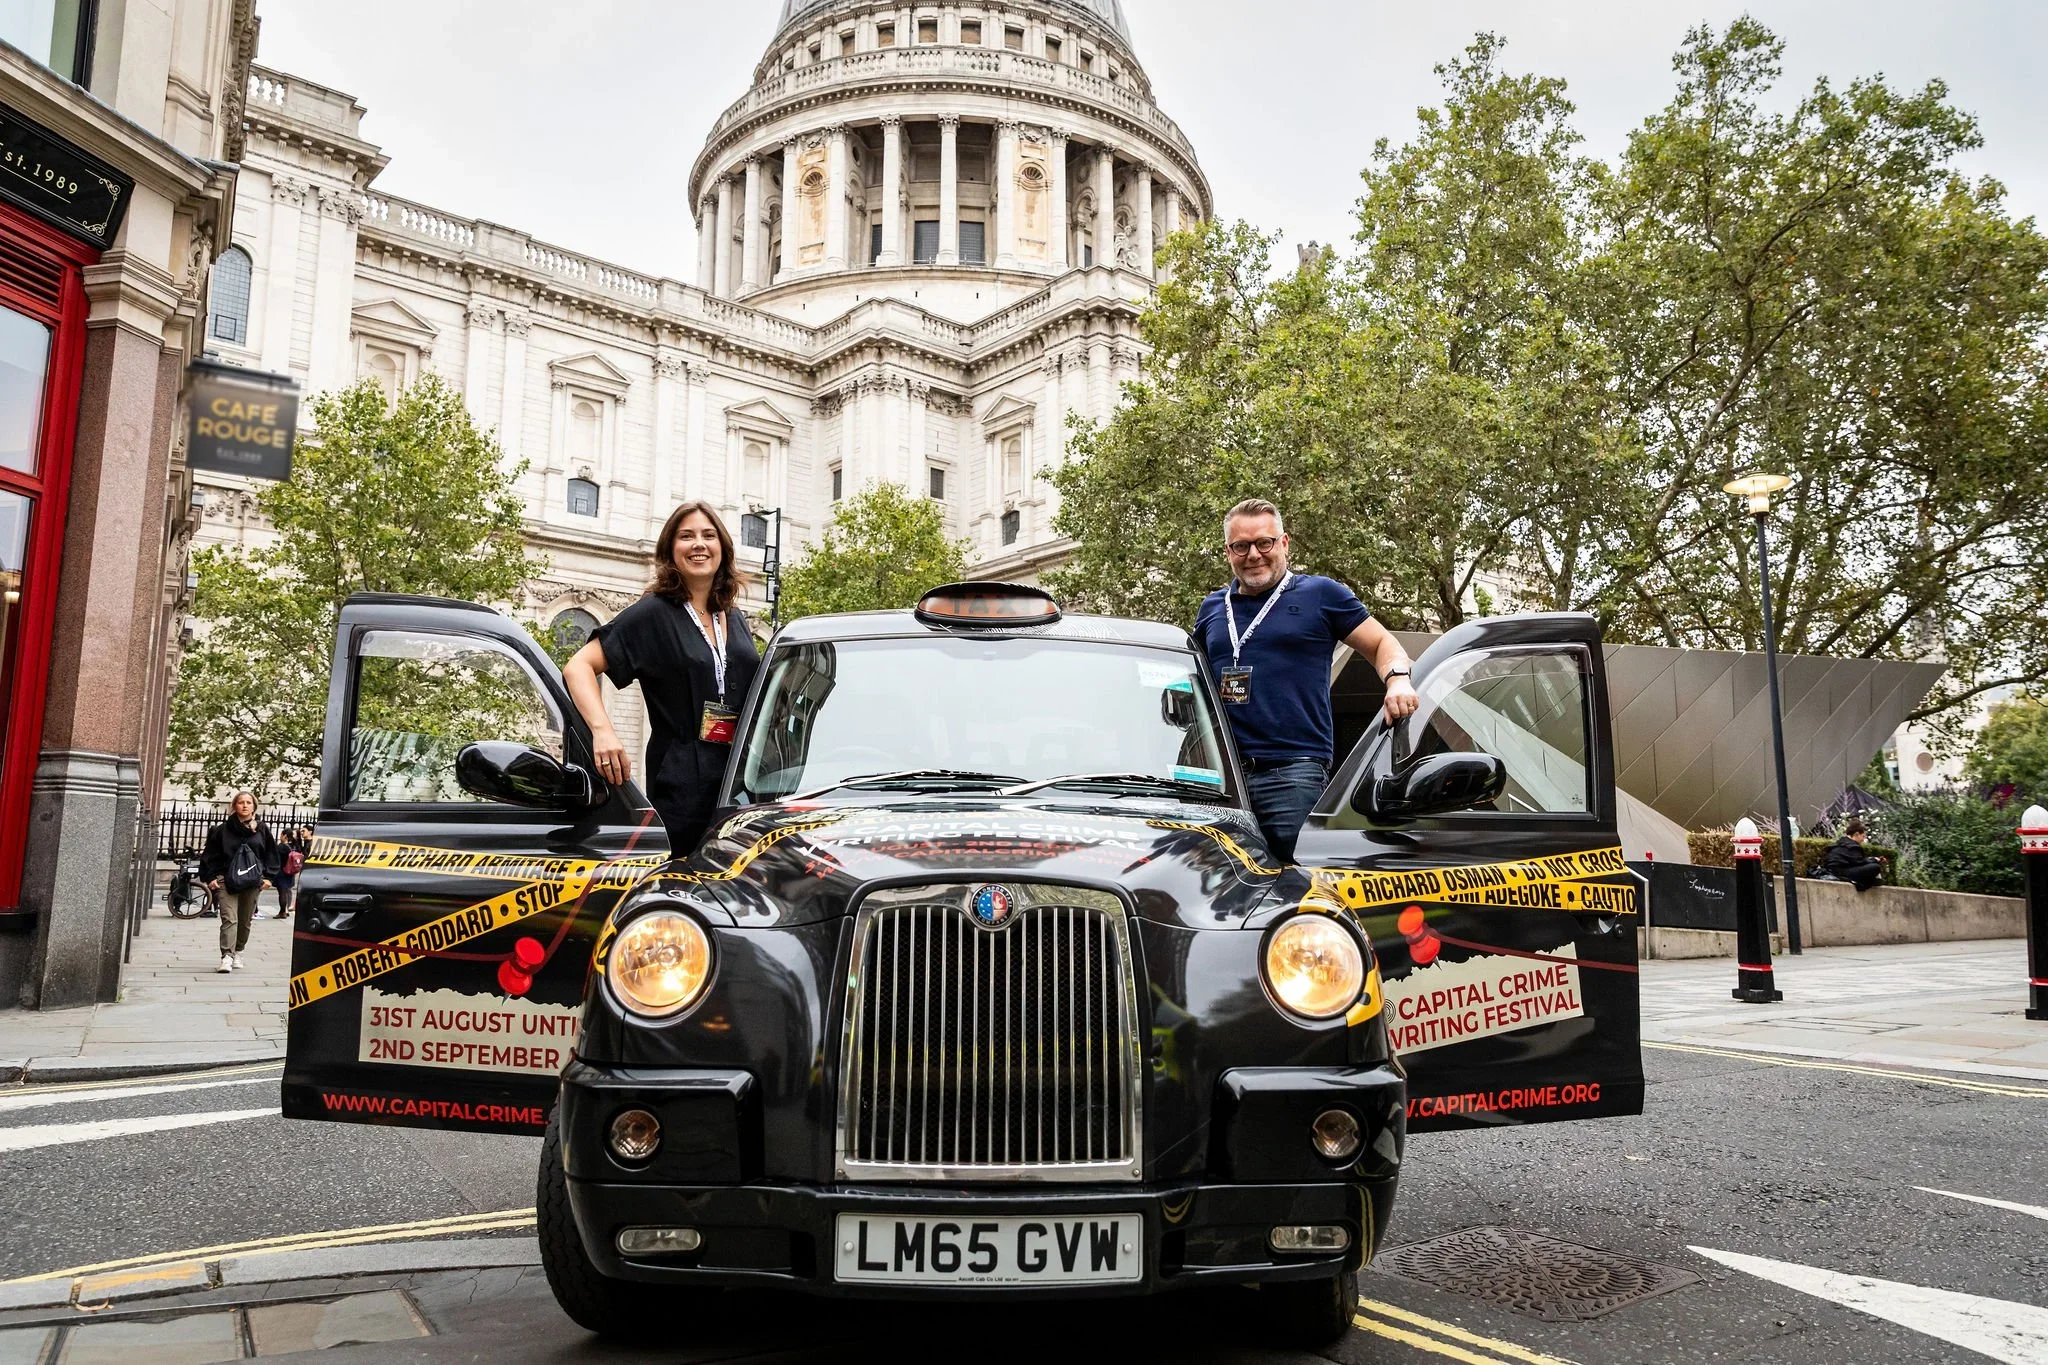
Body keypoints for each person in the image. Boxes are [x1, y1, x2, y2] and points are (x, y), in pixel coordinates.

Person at [1194, 499, 1420, 863]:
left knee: (1297, 880)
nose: (1254, 554)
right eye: (1241, 546)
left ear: (1284, 543)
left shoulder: (1321, 595)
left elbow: (1382, 643)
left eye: (1264, 543)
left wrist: (1397, 681)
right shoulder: (1212, 608)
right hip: (1221, 781)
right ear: (1228, 552)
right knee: (1218, 885)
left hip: (1292, 775)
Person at [564, 501, 761, 854]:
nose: (699, 544)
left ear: (723, 549)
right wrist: (603, 732)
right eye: (686, 536)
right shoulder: (653, 613)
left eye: (708, 535)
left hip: (739, 783)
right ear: (671, 549)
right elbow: (577, 667)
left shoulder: (733, 616)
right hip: (682, 785)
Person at [199, 792, 278, 972]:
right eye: (240, 802)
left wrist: (268, 878)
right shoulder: (222, 830)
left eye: (248, 802)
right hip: (226, 880)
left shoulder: (262, 830)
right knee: (229, 918)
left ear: (254, 807)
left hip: (252, 881)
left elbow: (271, 855)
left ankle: (238, 951)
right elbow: (210, 855)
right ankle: (226, 955)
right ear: (234, 806)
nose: (244, 805)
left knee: (244, 920)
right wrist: (211, 877)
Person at [1817, 820, 1886, 892]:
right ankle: (1865, 883)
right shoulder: (1852, 846)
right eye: (1863, 836)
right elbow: (1859, 862)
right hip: (1842, 872)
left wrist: (1871, 859)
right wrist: (1874, 860)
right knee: (1875, 867)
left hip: (1834, 870)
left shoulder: (1841, 843)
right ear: (1856, 834)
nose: (1863, 839)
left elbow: (1855, 860)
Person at [272, 825, 311, 918]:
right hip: (289, 872)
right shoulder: (290, 847)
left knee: (281, 893)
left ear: (284, 836)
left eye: (281, 835)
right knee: (285, 892)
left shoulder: (281, 847)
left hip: (281, 872)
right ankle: (284, 910)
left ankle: (282, 912)